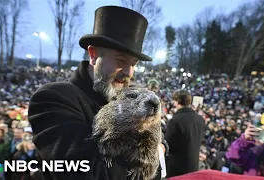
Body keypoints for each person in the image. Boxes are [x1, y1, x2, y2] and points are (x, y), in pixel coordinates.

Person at [28, 6, 167, 180]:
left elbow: (159, 147)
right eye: (121, 60)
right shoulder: (53, 98)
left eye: (134, 64)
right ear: (93, 55)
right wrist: (155, 153)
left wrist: (158, 151)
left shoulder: (129, 96)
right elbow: (87, 173)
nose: (129, 72)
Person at [165, 89, 205, 177]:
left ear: (177, 101)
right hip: (194, 165)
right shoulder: (200, 119)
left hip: (177, 167)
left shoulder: (175, 120)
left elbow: (168, 145)